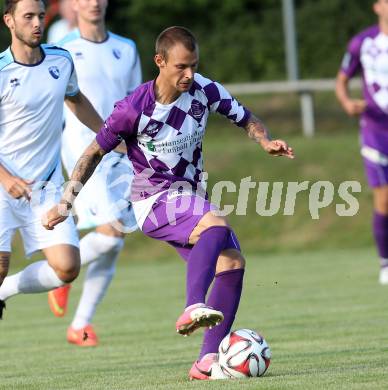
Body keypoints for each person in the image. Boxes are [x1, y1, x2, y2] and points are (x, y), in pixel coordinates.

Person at [43, 26, 294, 380]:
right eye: (181, 67)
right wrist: (64, 205)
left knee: (232, 262)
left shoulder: (204, 90)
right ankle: (193, 305)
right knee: (216, 225)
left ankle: (205, 363)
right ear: (159, 61)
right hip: (152, 198)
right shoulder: (134, 108)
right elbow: (93, 152)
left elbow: (246, 117)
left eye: (193, 65)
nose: (189, 74)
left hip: (190, 196)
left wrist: (264, 140)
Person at [0, 0, 103, 320]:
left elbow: (75, 99)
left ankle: (4, 291)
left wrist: (109, 135)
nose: (36, 23)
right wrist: (6, 178)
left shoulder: (60, 60)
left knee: (67, 267)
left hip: (45, 187)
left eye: (41, 16)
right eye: (27, 16)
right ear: (9, 21)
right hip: (2, 187)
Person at [47, 0, 142, 347]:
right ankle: (62, 272)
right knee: (110, 233)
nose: (93, 3)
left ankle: (80, 326)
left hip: (122, 153)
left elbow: (136, 102)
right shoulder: (60, 50)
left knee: (113, 241)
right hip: (82, 153)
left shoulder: (126, 48)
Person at [336, 0, 388, 285]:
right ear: (377, 6)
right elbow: (341, 80)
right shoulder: (363, 43)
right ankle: (385, 262)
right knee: (385, 198)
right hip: (376, 131)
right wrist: (346, 102)